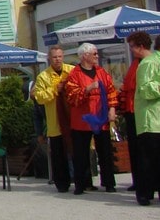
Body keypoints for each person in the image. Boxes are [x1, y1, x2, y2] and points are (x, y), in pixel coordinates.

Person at [64, 43, 118, 195]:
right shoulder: (74, 74)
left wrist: (112, 109)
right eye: (94, 54)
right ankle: (82, 184)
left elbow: (111, 91)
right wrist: (87, 89)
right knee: (81, 154)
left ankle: (109, 183)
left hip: (100, 118)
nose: (97, 56)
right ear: (84, 55)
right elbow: (71, 97)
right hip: (82, 119)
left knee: (105, 152)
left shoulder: (102, 72)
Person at [33, 46, 75, 193]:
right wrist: (54, 90)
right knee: (58, 155)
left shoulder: (71, 71)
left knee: (77, 151)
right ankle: (62, 184)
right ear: (49, 59)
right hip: (55, 123)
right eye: (54, 57)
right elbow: (39, 97)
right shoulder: (43, 77)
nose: (57, 60)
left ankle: (82, 181)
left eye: (60, 56)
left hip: (72, 120)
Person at [127, 31, 160, 206]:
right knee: (148, 160)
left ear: (140, 46)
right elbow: (146, 90)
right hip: (149, 120)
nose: (132, 51)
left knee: (151, 160)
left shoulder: (151, 62)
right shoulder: (147, 64)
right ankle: (144, 193)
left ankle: (147, 192)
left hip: (155, 119)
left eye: (132, 47)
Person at [117, 51, 141, 192]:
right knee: (135, 148)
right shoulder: (135, 64)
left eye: (132, 46)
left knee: (142, 149)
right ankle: (138, 180)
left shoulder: (145, 63)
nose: (131, 50)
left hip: (137, 109)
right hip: (131, 110)